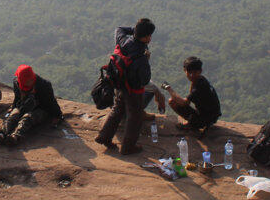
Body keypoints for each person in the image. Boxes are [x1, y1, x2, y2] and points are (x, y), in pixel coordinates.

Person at [95, 18, 155, 155]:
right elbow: (145, 80)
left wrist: (135, 31)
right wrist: (147, 60)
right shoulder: (141, 56)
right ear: (146, 37)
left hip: (119, 84)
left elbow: (119, 29)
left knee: (117, 110)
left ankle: (104, 137)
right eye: (149, 35)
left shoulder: (123, 41)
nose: (150, 38)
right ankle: (128, 147)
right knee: (135, 117)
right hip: (133, 90)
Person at [0, 65, 62, 145]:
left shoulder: (44, 85)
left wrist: (57, 115)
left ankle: (15, 137)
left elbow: (51, 102)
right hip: (23, 105)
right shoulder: (17, 83)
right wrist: (13, 108)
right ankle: (1, 134)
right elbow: (17, 98)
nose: (29, 82)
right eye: (26, 81)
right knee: (13, 115)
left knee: (27, 118)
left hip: (41, 108)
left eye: (30, 80)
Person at [162, 57, 222, 136]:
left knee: (172, 102)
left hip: (207, 119)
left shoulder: (200, 86)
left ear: (200, 71)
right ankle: (193, 122)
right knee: (174, 101)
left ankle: (193, 125)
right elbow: (189, 99)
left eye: (195, 72)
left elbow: (185, 103)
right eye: (189, 72)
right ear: (185, 71)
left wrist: (169, 89)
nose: (191, 75)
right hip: (211, 116)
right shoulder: (200, 79)